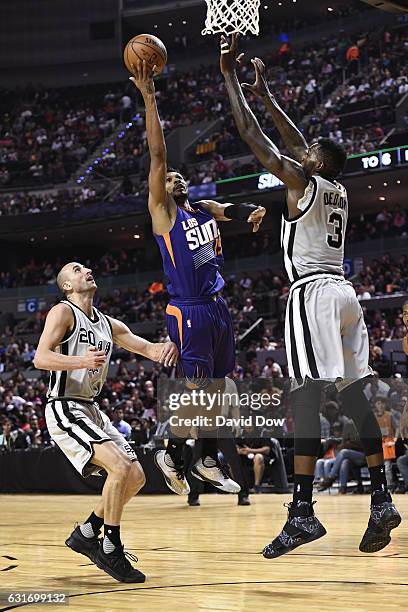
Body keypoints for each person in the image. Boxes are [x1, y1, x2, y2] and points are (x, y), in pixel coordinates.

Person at [220, 33, 401, 558]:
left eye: (310, 150)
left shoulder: (302, 182)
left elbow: (255, 136)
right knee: (353, 397)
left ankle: (301, 512)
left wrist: (231, 78)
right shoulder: (336, 187)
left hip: (313, 296)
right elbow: (295, 141)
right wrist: (269, 91)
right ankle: (382, 498)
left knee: (302, 400)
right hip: (347, 295)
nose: (304, 148)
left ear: (314, 162)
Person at [129, 59, 265, 497]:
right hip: (188, 309)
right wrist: (150, 99)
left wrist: (252, 212)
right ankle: (170, 450)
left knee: (222, 389)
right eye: (168, 179)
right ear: (158, 191)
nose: (175, 177)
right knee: (199, 389)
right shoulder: (163, 213)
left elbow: (229, 210)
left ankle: (203, 456)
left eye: (179, 176)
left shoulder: (200, 208)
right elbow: (157, 156)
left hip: (218, 307)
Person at [34, 262, 178, 583]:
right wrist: (81, 360)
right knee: (119, 468)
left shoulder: (108, 324)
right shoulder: (63, 312)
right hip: (64, 406)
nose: (85, 270)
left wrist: (170, 346)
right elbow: (40, 358)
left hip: (92, 408)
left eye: (85, 267)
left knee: (136, 477)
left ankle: (87, 532)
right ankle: (110, 548)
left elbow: (148, 349)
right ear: (67, 286)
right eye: (75, 269)